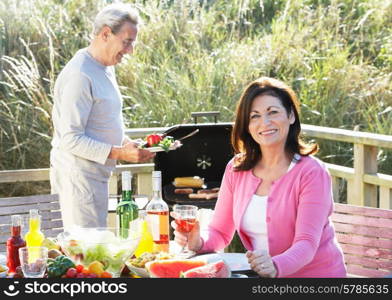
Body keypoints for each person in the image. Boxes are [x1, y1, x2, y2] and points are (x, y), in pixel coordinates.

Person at [172, 77, 347, 278]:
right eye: (254, 116)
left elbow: (306, 243)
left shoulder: (312, 172)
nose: (264, 123)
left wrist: (275, 266)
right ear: (246, 125)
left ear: (291, 115)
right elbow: (220, 231)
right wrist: (198, 242)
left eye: (273, 112)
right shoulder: (236, 169)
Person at [50, 3, 155, 229]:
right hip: (79, 180)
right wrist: (120, 153)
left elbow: (103, 118)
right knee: (86, 254)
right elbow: (70, 139)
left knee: (95, 249)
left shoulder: (104, 67)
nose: (130, 50)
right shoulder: (80, 74)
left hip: (95, 177)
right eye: (127, 42)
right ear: (106, 33)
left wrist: (126, 142)